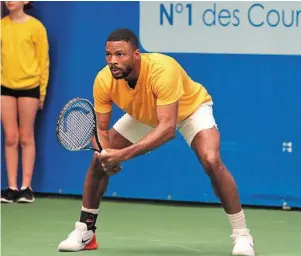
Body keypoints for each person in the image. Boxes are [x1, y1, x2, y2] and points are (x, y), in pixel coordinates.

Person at [58, 28, 255, 256]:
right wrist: (107, 154)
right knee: (97, 161)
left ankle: (242, 235)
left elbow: (167, 129)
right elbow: (101, 128)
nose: (113, 61)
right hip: (145, 114)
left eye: (120, 54)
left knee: (211, 160)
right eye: (108, 55)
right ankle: (85, 231)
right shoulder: (103, 80)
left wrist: (122, 155)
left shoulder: (163, 70)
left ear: (136, 55)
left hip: (189, 110)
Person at [1, 1, 50, 203]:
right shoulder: (2, 26)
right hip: (5, 88)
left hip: (30, 88)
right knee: (11, 138)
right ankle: (11, 187)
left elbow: (43, 61)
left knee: (26, 137)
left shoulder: (36, 27)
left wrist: (42, 93)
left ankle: (26, 188)